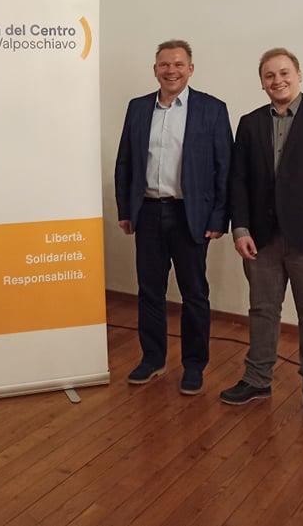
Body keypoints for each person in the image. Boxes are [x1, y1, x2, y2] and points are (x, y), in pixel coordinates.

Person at [219, 47, 303, 423]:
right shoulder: (249, 123)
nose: (277, 80)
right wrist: (240, 228)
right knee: (262, 312)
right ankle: (257, 380)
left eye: (283, 73)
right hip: (262, 239)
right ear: (262, 83)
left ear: (298, 75)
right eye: (269, 75)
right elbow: (238, 180)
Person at [115, 40, 232, 396]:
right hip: (148, 212)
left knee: (194, 294)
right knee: (150, 291)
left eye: (179, 64)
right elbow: (125, 162)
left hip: (190, 215)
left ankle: (194, 365)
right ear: (155, 70)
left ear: (190, 69)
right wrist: (125, 210)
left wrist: (219, 217)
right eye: (164, 64)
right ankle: (153, 358)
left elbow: (224, 168)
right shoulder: (138, 108)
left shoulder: (212, 109)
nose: (171, 71)